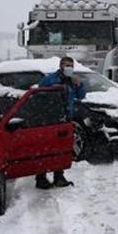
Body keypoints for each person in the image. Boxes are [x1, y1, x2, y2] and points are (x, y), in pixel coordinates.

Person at [36, 56, 85, 189]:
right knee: (46, 149)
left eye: (71, 65)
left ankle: (59, 176)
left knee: (62, 149)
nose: (69, 68)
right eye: (66, 65)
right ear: (61, 66)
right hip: (50, 120)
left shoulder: (72, 80)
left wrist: (79, 85)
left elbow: (81, 96)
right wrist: (53, 90)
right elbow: (39, 95)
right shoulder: (50, 79)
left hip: (65, 119)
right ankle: (41, 177)